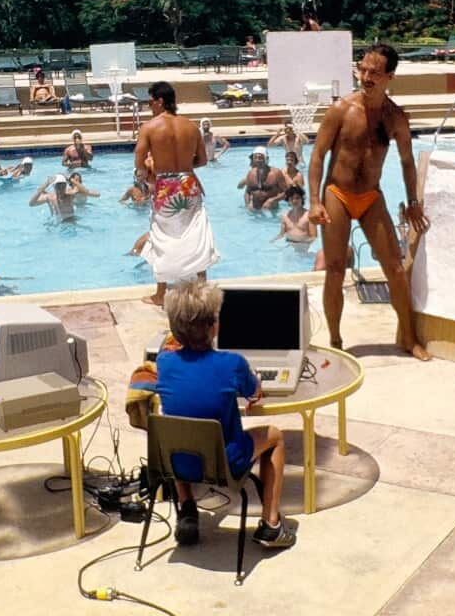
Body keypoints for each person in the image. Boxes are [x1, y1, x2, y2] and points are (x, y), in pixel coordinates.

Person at [308, 44, 431, 360]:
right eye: (362, 69)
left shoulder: (395, 117)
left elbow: (406, 162)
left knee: (395, 268)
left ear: (389, 76)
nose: (365, 77)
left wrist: (413, 200)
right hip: (337, 193)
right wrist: (314, 201)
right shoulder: (341, 110)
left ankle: (409, 338)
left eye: (374, 72)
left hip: (371, 195)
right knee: (334, 270)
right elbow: (318, 155)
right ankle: (336, 341)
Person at [154, 280, 296, 548]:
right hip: (224, 465)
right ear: (214, 326)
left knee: (181, 433)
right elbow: (254, 393)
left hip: (176, 462)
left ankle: (187, 508)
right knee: (275, 436)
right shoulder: (233, 364)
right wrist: (253, 381)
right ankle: (271, 524)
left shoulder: (164, 361)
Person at [132, 81, 219, 306]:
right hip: (188, 183)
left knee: (162, 234)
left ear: (160, 101)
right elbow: (202, 160)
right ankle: (200, 288)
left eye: (150, 101)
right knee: (195, 232)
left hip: (165, 185)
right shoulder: (190, 126)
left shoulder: (150, 127)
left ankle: (161, 294)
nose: (149, 106)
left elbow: (139, 163)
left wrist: (149, 171)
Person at [238, 146, 286, 211]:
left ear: (266, 158)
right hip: (254, 210)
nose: (258, 160)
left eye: (260, 158)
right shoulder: (251, 173)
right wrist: (247, 204)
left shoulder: (276, 173)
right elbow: (247, 192)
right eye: (255, 158)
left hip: (272, 210)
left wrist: (271, 200)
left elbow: (286, 193)